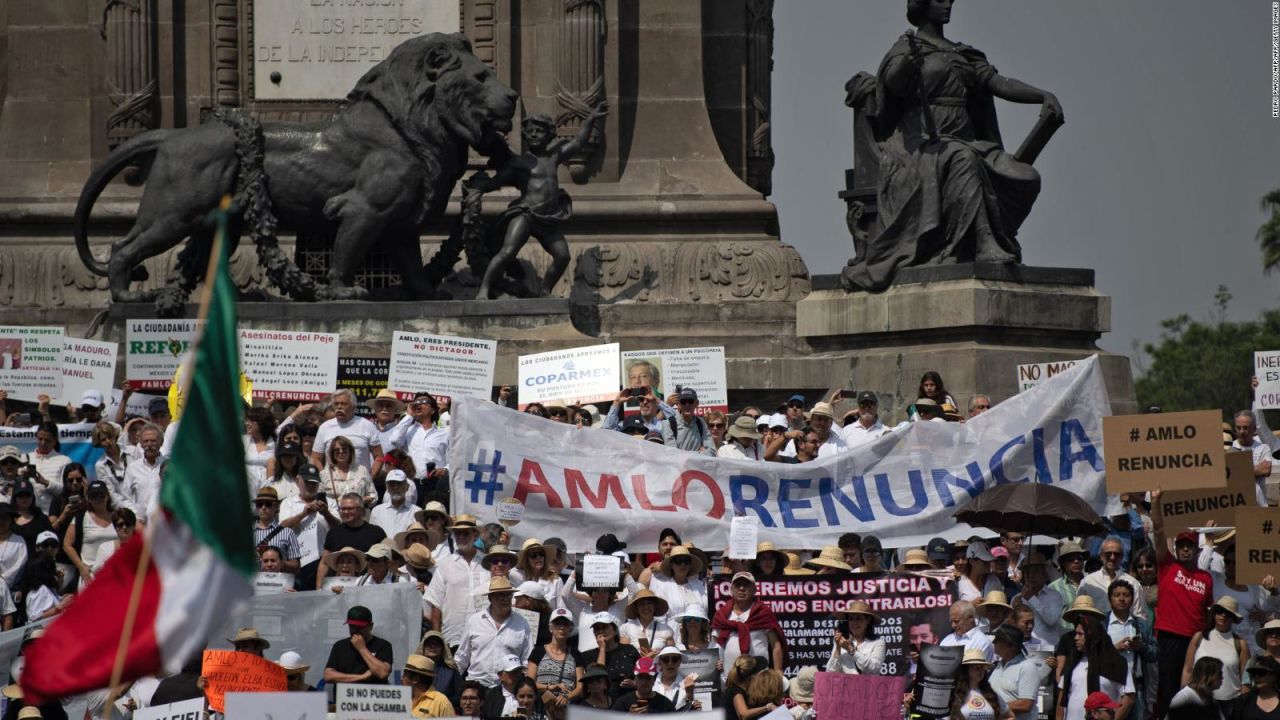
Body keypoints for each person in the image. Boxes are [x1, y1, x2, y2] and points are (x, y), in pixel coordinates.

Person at [841, 0, 1061, 292]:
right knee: (962, 159)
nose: (948, 4)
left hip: (967, 142)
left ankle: (989, 237)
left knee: (1025, 175)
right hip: (918, 147)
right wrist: (907, 66)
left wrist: (1041, 95)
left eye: (950, 0)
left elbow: (997, 82)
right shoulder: (906, 48)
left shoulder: (962, 53)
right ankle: (983, 243)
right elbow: (891, 85)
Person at [1150, 488, 1215, 718]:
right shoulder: (1167, 565)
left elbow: (1208, 612)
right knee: (1167, 689)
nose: (1185, 549)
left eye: (1190, 545)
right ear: (1176, 548)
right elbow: (1158, 531)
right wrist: (1156, 501)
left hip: (1195, 641)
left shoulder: (1206, 577)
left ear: (1197, 549)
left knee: (1194, 690)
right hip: (1170, 637)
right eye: (1182, 545)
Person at [455, 576, 535, 688]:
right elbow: (462, 658)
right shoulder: (474, 621)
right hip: (476, 686)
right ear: (490, 598)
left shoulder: (522, 623)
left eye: (508, 595)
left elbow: (527, 659)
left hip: (508, 688)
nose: (505, 599)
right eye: (500, 595)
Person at [1183, 596, 1250, 716]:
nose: (1223, 616)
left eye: (1228, 614)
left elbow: (1246, 679)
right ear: (1214, 614)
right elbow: (1188, 669)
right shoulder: (1198, 637)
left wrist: (1243, 704)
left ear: (1233, 618)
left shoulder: (1241, 643)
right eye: (1219, 611)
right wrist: (1184, 696)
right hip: (1199, 699)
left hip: (1230, 703)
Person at [278, 463, 339, 590]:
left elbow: (339, 528)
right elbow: (282, 527)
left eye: (314, 483)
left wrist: (326, 513)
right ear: (297, 481)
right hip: (299, 560)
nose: (311, 486)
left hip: (324, 559)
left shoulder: (330, 502)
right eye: (307, 482)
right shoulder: (288, 502)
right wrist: (304, 513)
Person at [1056, 621, 1134, 720]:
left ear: (1092, 635)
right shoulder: (1072, 663)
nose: (1076, 638)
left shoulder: (1117, 663)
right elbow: (1062, 697)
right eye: (1075, 634)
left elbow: (1129, 697)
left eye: (1080, 634)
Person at [712, 572, 785, 673]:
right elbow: (714, 646)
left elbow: (776, 645)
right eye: (738, 585)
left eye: (746, 585)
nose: (741, 588)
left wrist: (778, 671)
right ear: (731, 590)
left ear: (754, 590)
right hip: (730, 676)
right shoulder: (722, 615)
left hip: (759, 676)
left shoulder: (763, 612)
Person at [1102, 579, 1154, 720]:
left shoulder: (1141, 625)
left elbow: (1155, 653)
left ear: (1132, 599)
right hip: (1109, 685)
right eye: (1117, 595)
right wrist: (1115, 649)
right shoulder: (1102, 624)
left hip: (1136, 686)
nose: (1121, 599)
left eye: (1126, 595)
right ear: (1110, 599)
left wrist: (1141, 647)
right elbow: (1093, 654)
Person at [315, 492, 385, 588]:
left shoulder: (376, 532)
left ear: (361, 510)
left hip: (369, 587)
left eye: (350, 509)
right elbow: (324, 563)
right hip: (340, 588)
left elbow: (385, 560)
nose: (346, 512)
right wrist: (319, 588)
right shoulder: (334, 533)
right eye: (343, 509)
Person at [386, 392, 449, 483]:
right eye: (416, 402)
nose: (418, 404)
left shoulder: (444, 433)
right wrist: (409, 415)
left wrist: (444, 470)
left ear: (433, 410)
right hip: (412, 483)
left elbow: (452, 461)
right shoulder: (407, 431)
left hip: (437, 483)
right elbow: (394, 440)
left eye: (423, 401)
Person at [1080, 537, 1148, 621]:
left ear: (1122, 557)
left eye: (1117, 554)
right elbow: (1080, 611)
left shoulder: (1133, 584)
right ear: (1101, 556)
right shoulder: (1087, 582)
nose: (1112, 557)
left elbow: (1140, 616)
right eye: (1108, 554)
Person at [528, 608, 579, 719]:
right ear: (550, 628)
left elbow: (580, 686)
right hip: (541, 710)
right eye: (557, 624)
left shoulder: (576, 654)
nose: (561, 627)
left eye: (565, 624)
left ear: (570, 628)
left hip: (565, 712)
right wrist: (549, 687)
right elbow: (529, 683)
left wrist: (567, 697)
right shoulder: (538, 651)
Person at [324, 605, 393, 685]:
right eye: (351, 626)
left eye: (359, 627)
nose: (355, 630)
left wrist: (362, 649)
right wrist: (362, 677)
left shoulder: (383, 645)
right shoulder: (339, 646)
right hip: (346, 696)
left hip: (372, 696)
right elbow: (328, 675)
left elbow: (383, 673)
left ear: (370, 626)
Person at [60, 479, 110, 588]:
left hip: (114, 574)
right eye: (94, 495)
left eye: (101, 494)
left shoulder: (117, 518)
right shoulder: (81, 518)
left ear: (108, 496)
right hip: (90, 575)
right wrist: (81, 566)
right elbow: (66, 545)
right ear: (88, 498)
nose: (98, 498)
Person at [581, 612, 639, 703]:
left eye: (604, 627)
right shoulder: (587, 655)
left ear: (615, 630)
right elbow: (597, 674)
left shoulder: (629, 650)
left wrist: (634, 684)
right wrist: (602, 649)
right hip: (603, 704)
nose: (600, 631)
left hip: (628, 701)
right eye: (597, 629)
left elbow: (641, 676)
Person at [647, 545, 707, 626]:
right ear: (671, 564)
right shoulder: (663, 587)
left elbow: (705, 610)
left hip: (698, 633)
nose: (683, 564)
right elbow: (660, 618)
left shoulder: (698, 585)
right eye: (678, 561)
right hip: (674, 633)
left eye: (686, 561)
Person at [1013, 553, 1064, 647]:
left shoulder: (1055, 596)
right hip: (1024, 648)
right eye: (1028, 572)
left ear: (1044, 574)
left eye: (1036, 571)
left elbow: (1052, 620)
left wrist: (1032, 598)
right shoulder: (1017, 598)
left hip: (1049, 649)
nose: (1031, 576)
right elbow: (1012, 626)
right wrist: (1015, 610)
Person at [989, 625, 1039, 720]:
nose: (993, 642)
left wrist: (993, 707)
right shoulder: (997, 667)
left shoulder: (1027, 667)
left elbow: (1025, 704)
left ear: (1010, 645)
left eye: (998, 639)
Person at [826, 600, 886, 674]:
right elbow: (831, 672)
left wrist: (851, 650)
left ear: (868, 620)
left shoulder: (878, 643)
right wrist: (838, 648)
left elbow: (873, 668)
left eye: (859, 618)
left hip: (868, 685)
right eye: (851, 619)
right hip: (846, 685)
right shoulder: (842, 641)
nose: (854, 623)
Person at [950, 648, 1012, 720]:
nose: (980, 670)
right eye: (976, 666)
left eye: (983, 666)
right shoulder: (953, 694)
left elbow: (1010, 716)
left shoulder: (992, 694)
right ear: (965, 669)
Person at [121, 423, 163, 519]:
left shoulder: (169, 466)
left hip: (165, 524)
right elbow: (125, 498)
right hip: (141, 524)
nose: (149, 444)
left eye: (153, 441)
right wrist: (136, 517)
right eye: (146, 441)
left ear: (161, 442)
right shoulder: (133, 468)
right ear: (141, 443)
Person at [1232, 411, 1274, 507]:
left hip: (1259, 506)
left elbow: (1265, 469)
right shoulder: (1230, 447)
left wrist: (1236, 472)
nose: (1242, 431)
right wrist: (1255, 470)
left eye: (1246, 428)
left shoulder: (1263, 448)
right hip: (1238, 507)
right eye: (1238, 428)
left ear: (1254, 429)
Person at [609, 656, 676, 714]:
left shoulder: (665, 704)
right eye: (640, 678)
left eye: (648, 678)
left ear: (654, 680)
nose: (644, 682)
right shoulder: (622, 703)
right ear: (635, 679)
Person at [660, 388, 715, 456]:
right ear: (678, 404)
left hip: (697, 466)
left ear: (696, 403)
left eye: (690, 401)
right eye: (683, 402)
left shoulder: (701, 423)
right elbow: (672, 454)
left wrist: (683, 453)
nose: (687, 405)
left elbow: (712, 451)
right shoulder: (668, 424)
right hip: (678, 466)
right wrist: (699, 454)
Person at [620, 589, 675, 657]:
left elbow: (672, 656)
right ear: (636, 608)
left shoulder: (666, 630)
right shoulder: (626, 628)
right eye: (641, 604)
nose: (646, 607)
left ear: (655, 606)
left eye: (649, 603)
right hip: (634, 666)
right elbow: (623, 655)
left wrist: (658, 655)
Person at [1169, 656, 1226, 720]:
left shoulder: (1211, 701)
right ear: (1208, 676)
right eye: (1219, 674)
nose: (1222, 677)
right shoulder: (1185, 696)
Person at [417, 630, 465, 705]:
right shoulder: (414, 670)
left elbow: (460, 695)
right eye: (429, 643)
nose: (433, 646)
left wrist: (442, 701)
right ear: (423, 647)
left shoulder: (451, 671)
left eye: (437, 644)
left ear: (443, 649)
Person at [1051, 541, 1090, 634]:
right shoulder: (1053, 588)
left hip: (1089, 636)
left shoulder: (1091, 583)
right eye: (1071, 560)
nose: (1076, 561)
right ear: (1063, 564)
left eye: (1080, 558)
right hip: (1065, 637)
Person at [370, 469, 417, 539]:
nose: (395, 488)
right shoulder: (377, 511)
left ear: (406, 487)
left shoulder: (416, 512)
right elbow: (372, 536)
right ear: (387, 488)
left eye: (399, 484)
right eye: (391, 485)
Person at [1235, 656, 1280, 720]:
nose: (1256, 677)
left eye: (1261, 673)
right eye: (1254, 673)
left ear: (1274, 676)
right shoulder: (1243, 700)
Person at [243, 406, 276, 492]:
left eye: (251, 421)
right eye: (247, 420)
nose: (247, 423)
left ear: (262, 423)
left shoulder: (275, 442)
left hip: (266, 491)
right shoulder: (243, 441)